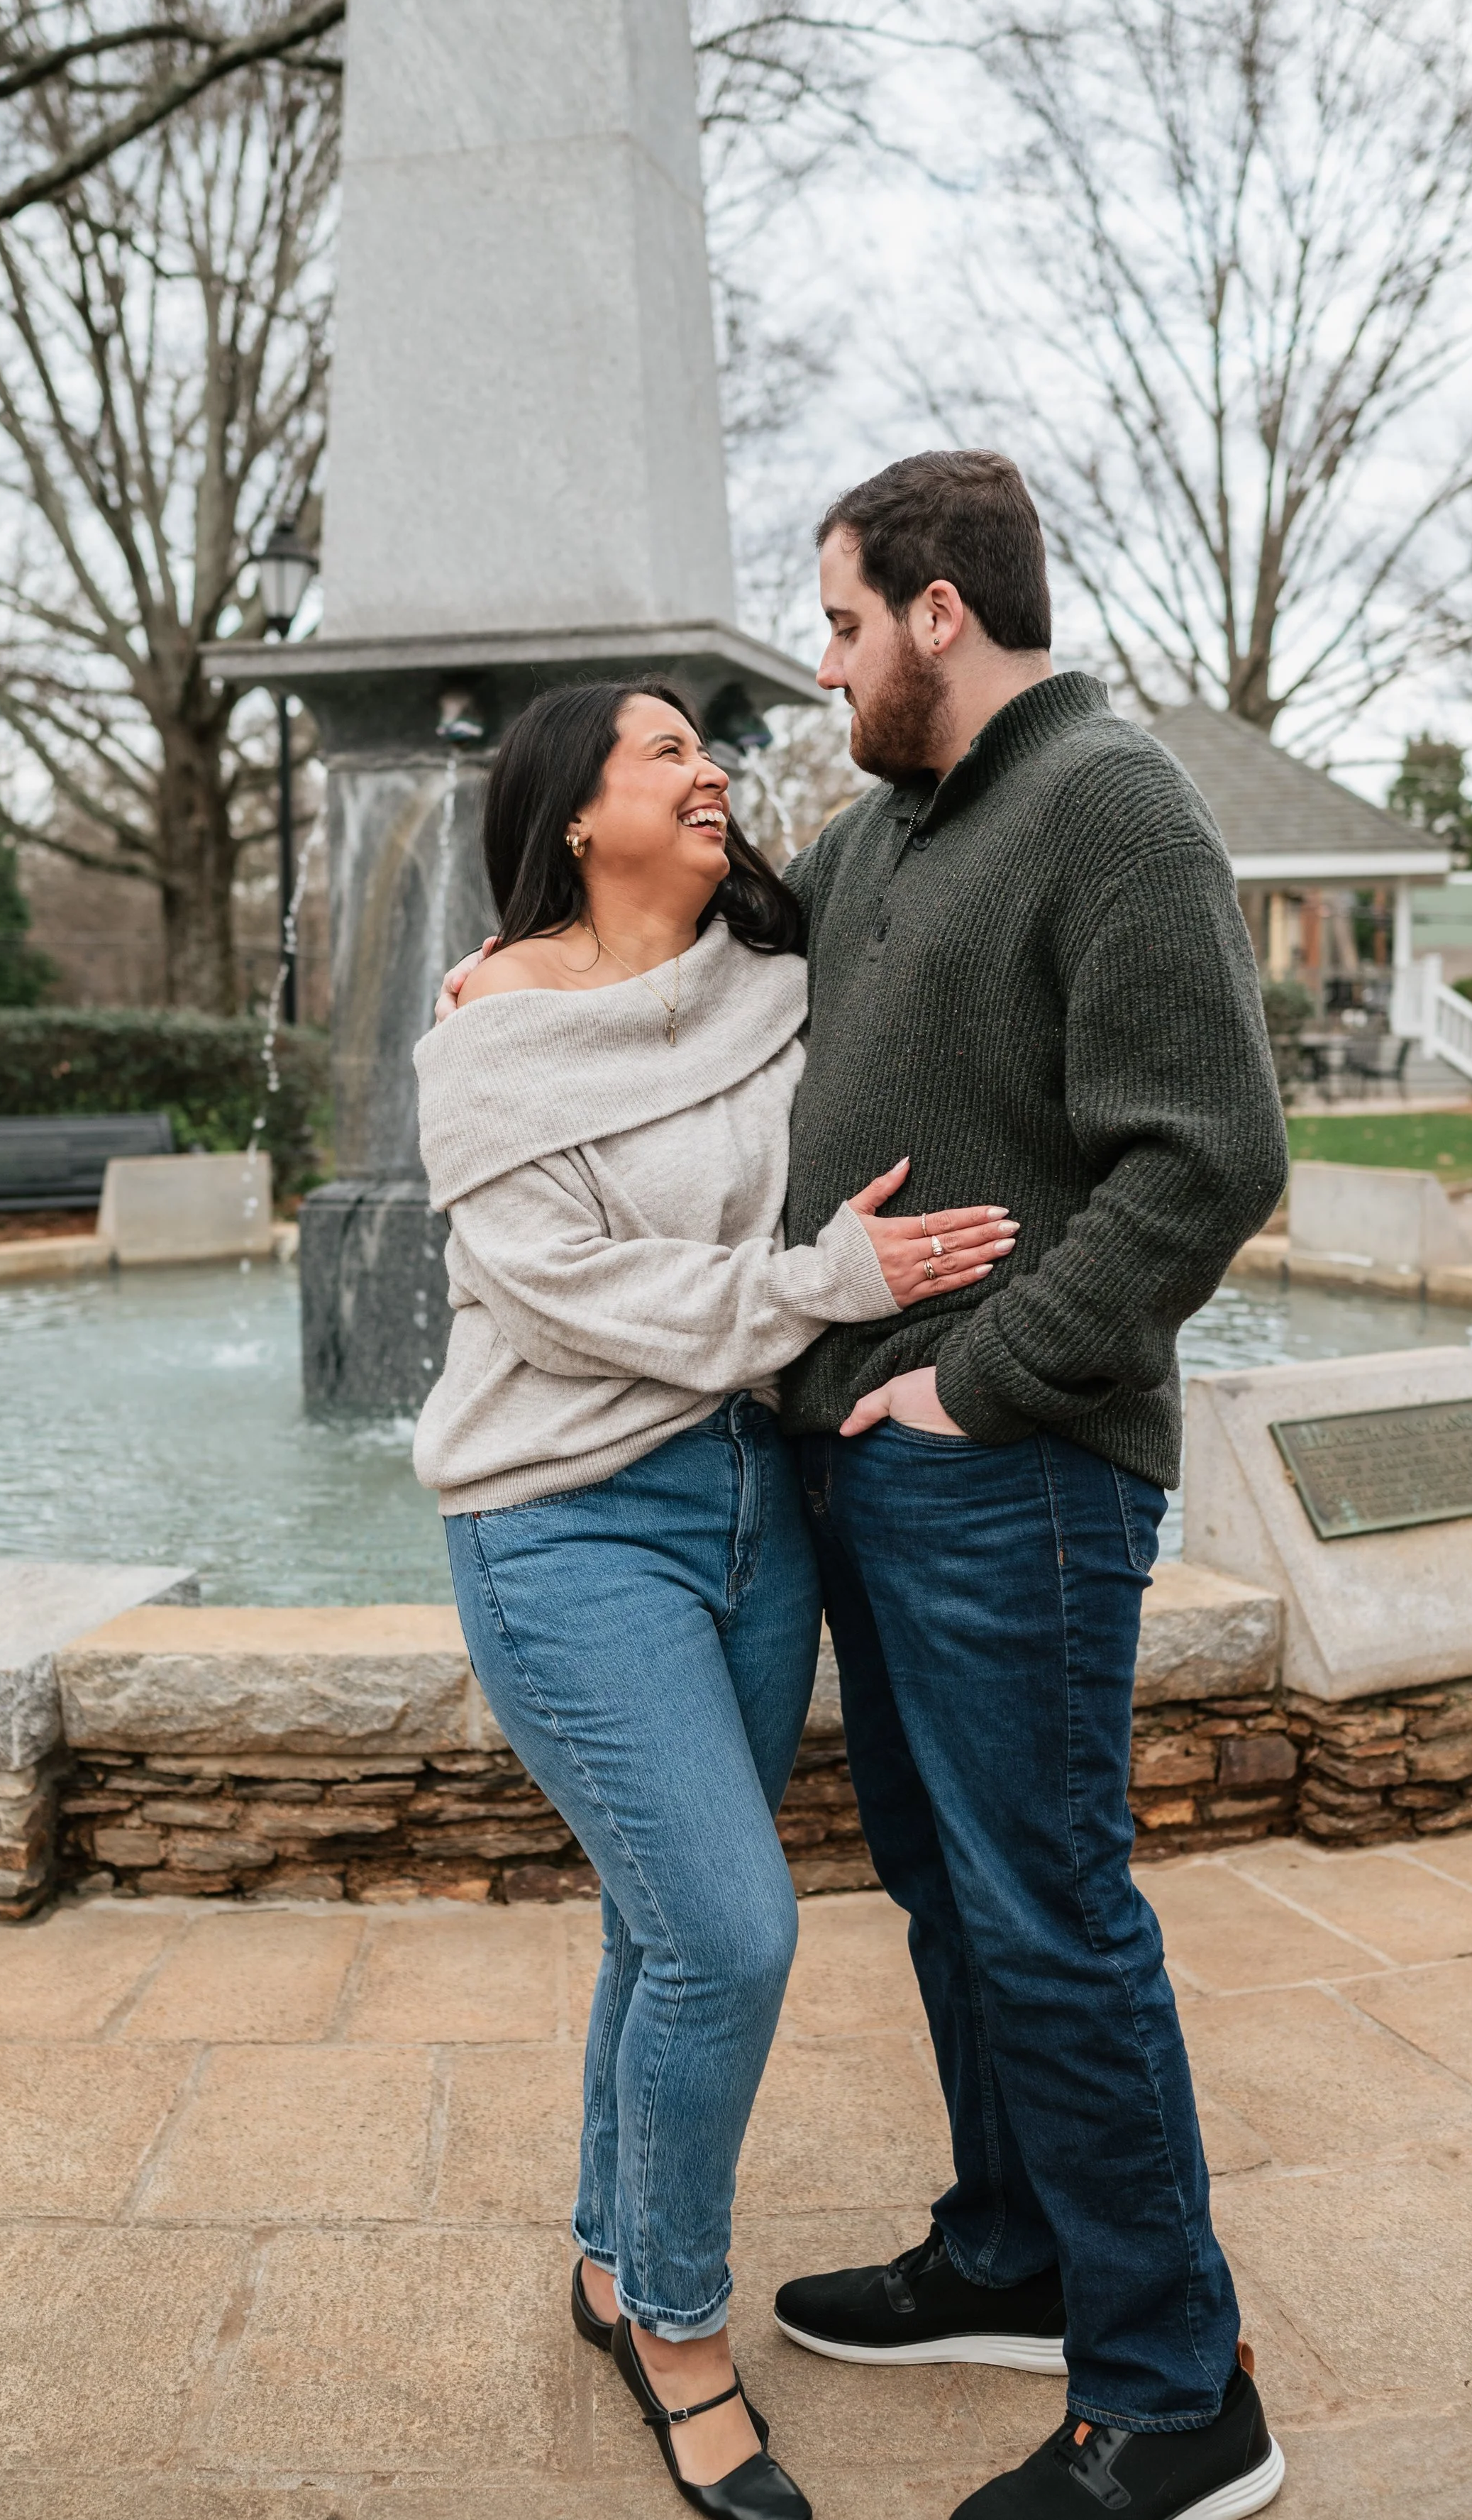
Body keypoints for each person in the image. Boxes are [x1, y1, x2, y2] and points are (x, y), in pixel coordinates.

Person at [410, 673, 1019, 2520]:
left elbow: (925, 909)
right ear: (572, 812)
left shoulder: (776, 976)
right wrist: (823, 1287)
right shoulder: (485, 1039)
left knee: (664, 1934)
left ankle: (609, 2256)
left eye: (713, 748)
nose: (713, 773)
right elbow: (558, 1294)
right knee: (733, 1939)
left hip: (761, 1503)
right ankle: (676, 2330)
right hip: (560, 1518)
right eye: (667, 750)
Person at [764, 451, 1290, 2520]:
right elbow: (701, 940)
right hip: (874, 1468)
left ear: (937, 613)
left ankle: (1178, 2395)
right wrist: (517, 967)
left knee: (1050, 1914)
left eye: (835, 621)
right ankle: (1011, 2251)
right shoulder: (887, 833)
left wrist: (983, 1385)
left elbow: (1209, 1151)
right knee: (949, 1893)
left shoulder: (1108, 801)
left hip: (1015, 1474)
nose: (822, 667)